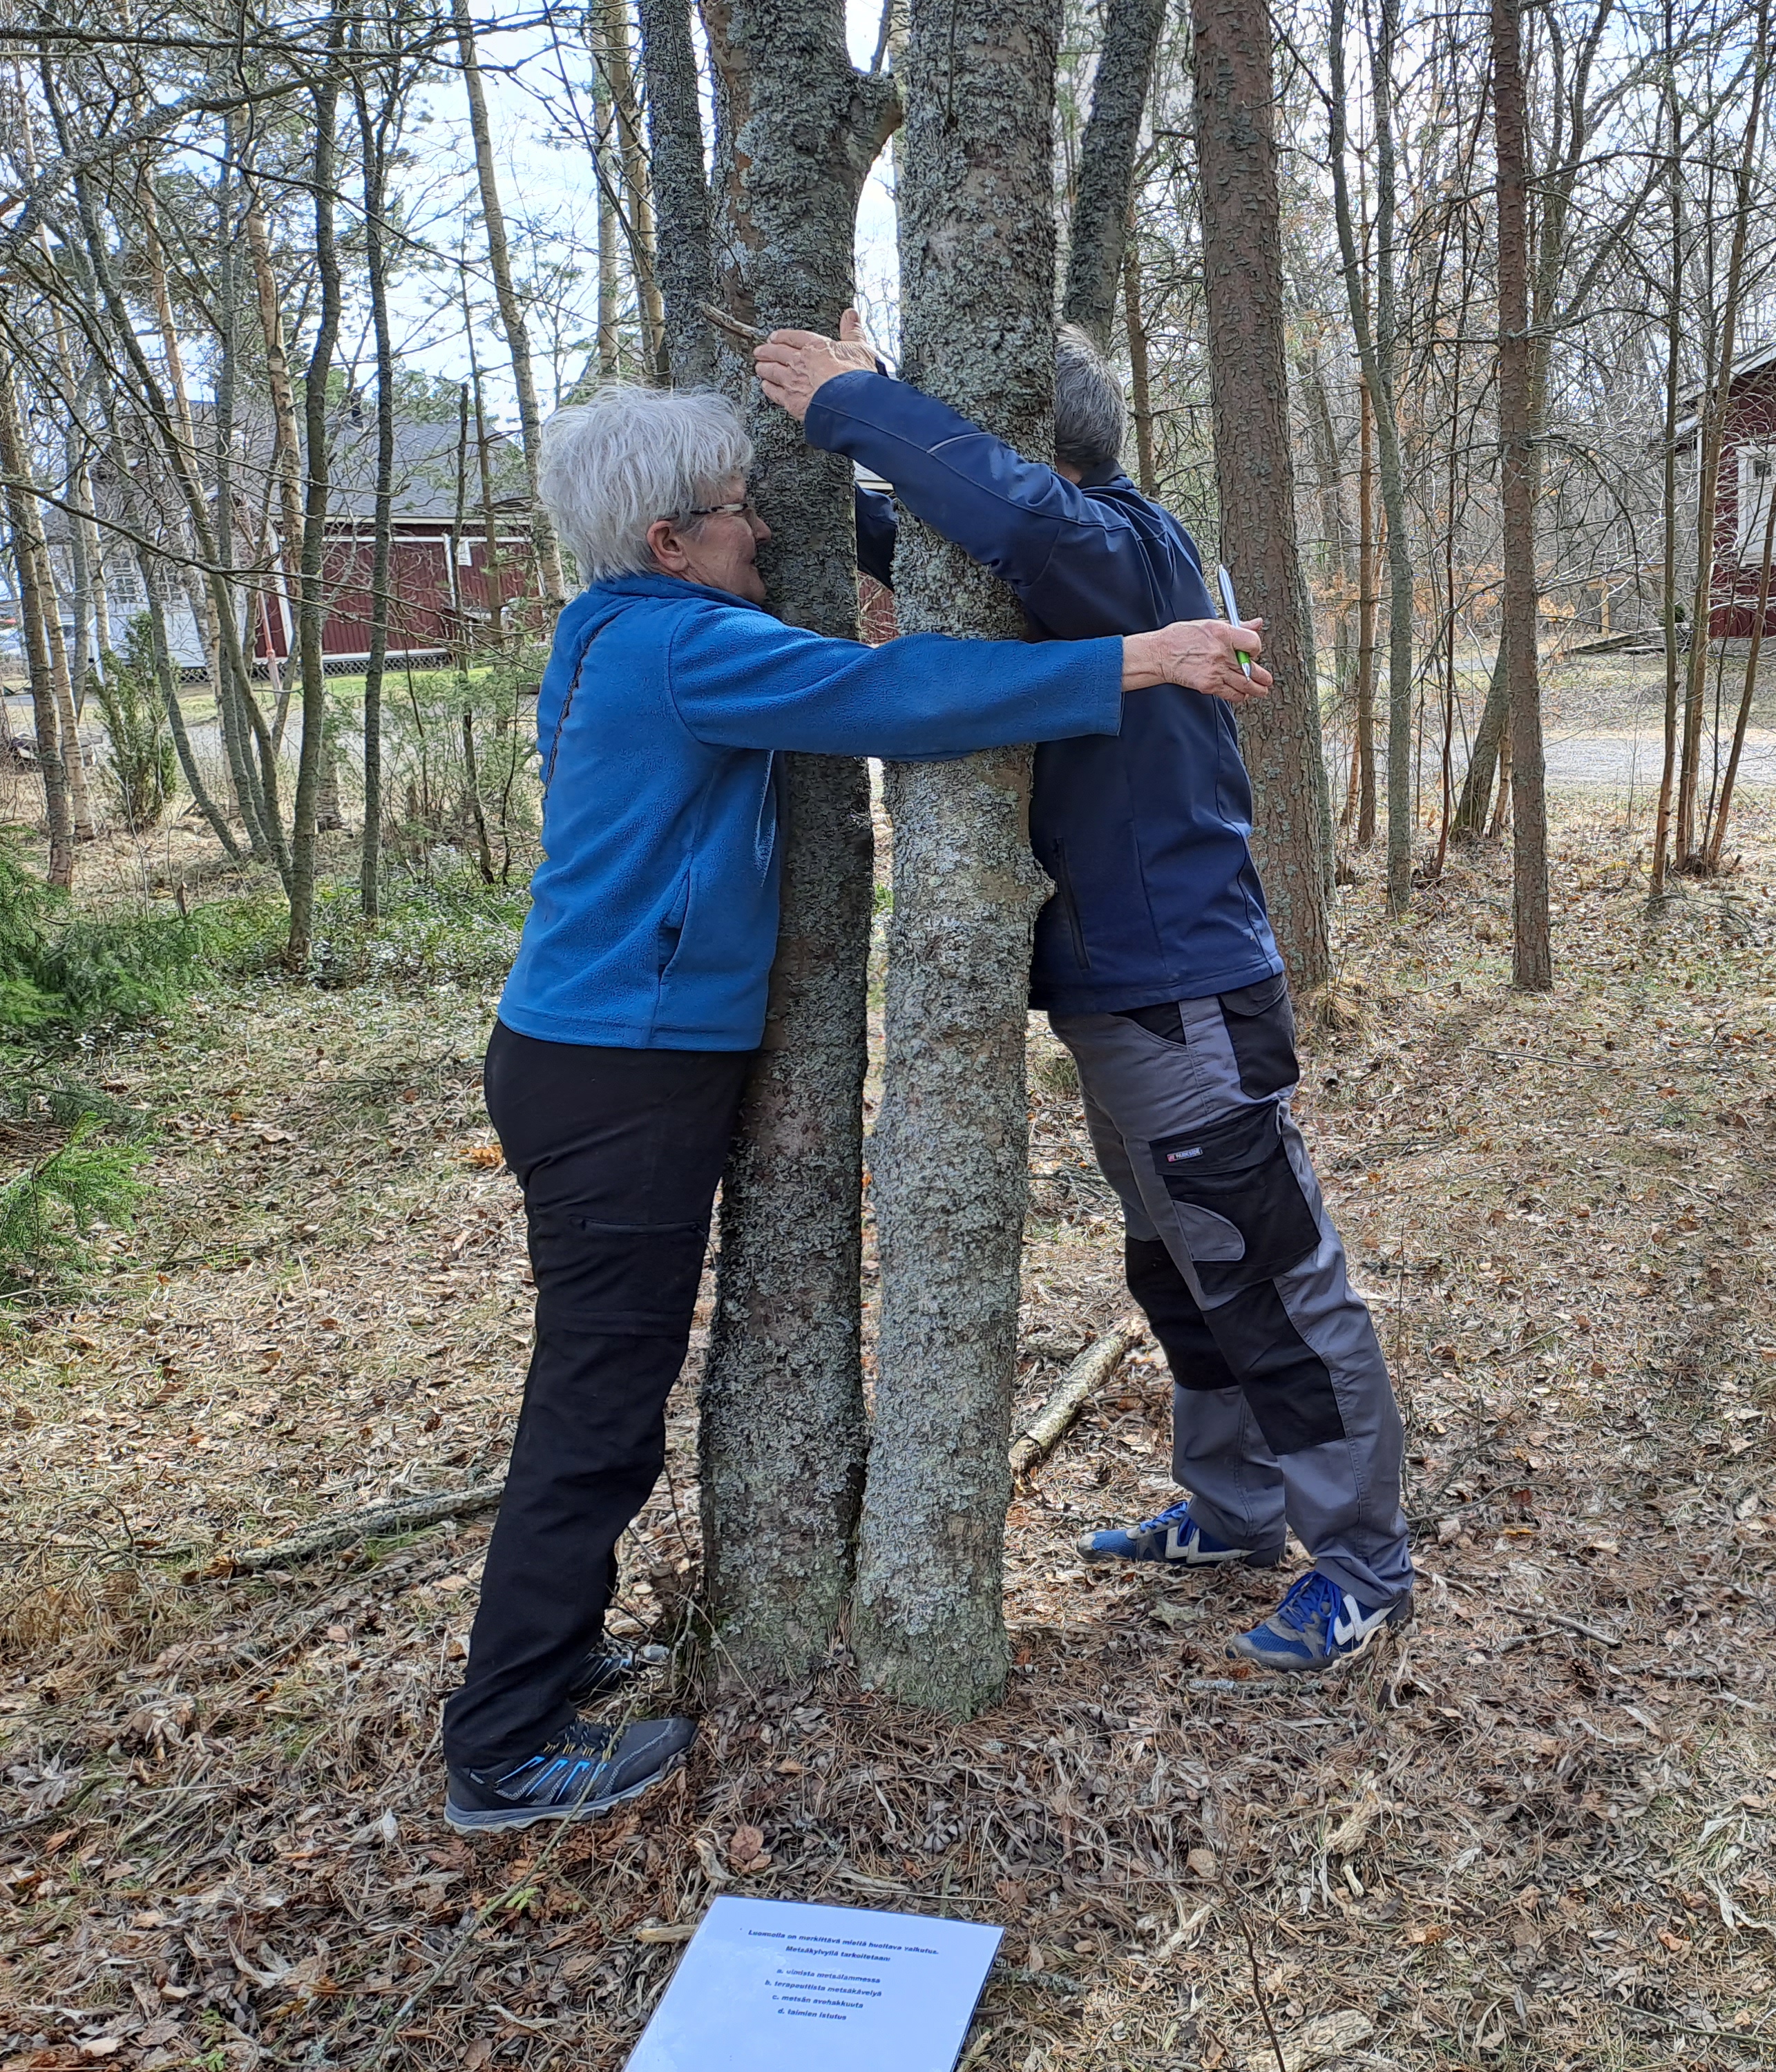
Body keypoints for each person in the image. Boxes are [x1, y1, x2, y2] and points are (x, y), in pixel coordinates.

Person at [443, 385, 1266, 1832]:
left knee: (601, 1397)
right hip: (615, 1071)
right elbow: (893, 699)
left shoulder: (612, 629)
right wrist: (1139, 656)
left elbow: (831, 684)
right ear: (665, 538)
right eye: (737, 515)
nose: (764, 531)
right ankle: (503, 1741)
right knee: (595, 1408)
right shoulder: (680, 645)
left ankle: (554, 1661)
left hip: (596, 1055)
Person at [754, 316, 1417, 1673]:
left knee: (1265, 1270)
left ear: (1027, 453)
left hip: (1181, 995)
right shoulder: (1087, 563)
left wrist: (859, 405)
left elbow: (1011, 521)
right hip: (1129, 997)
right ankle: (1234, 1512)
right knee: (1180, 1266)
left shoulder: (1114, 547)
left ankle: (1361, 1563)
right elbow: (961, 547)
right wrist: (848, 498)